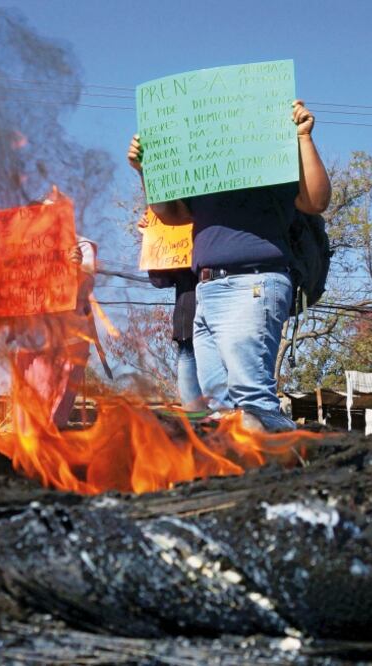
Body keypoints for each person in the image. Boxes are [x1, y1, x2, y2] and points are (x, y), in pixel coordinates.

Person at [127, 100, 331, 432]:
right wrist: (147, 170)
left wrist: (303, 138)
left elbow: (316, 201)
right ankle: (244, 476)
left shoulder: (271, 165)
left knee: (253, 401)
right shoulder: (204, 174)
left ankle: (290, 465)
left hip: (253, 283)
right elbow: (173, 215)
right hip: (207, 290)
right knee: (220, 409)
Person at [13, 189, 99, 431]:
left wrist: (74, 269)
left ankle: (47, 462)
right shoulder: (23, 249)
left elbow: (86, 288)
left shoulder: (81, 246)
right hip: (31, 343)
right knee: (27, 422)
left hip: (68, 344)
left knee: (51, 419)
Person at [146, 265, 205, 412]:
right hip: (189, 310)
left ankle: (225, 415)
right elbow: (160, 280)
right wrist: (154, 257)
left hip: (227, 307)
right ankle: (194, 415)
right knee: (187, 355)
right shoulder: (177, 243)